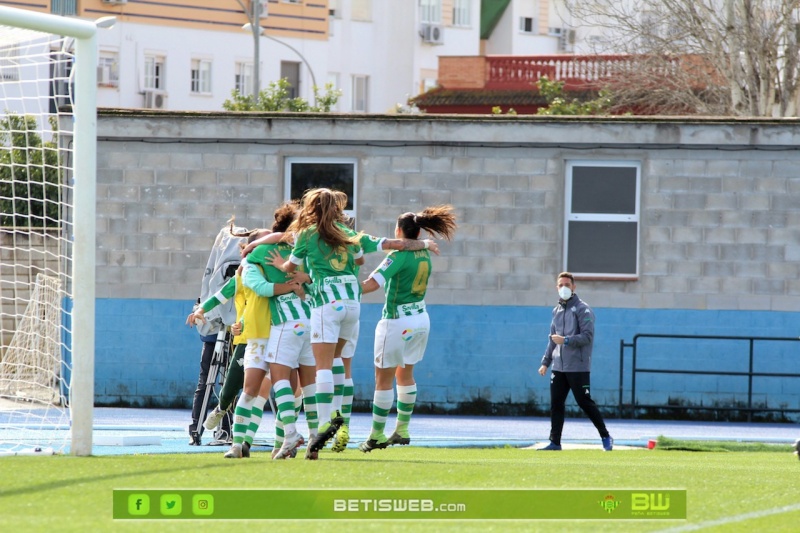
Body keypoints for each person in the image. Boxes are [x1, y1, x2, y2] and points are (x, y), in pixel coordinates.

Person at [268, 188, 437, 459]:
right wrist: (426, 244)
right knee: (338, 362)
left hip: (327, 303)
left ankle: (325, 422)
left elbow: (292, 267)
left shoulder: (307, 234)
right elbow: (390, 246)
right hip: (353, 304)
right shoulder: (349, 233)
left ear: (311, 207)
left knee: (321, 366)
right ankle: (340, 416)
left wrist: (282, 264)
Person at [357, 205, 457, 452]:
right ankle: (402, 430)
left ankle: (376, 435)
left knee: (383, 379)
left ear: (399, 230)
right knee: (405, 374)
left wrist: (343, 289)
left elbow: (372, 284)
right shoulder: (424, 252)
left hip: (396, 320)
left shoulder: (398, 255)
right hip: (421, 318)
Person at [537, 272, 613, 451]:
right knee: (556, 403)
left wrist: (567, 340)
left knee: (584, 402)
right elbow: (552, 339)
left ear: (573, 287)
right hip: (558, 367)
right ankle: (555, 442)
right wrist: (545, 362)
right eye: (561, 285)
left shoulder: (582, 309)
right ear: (557, 288)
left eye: (567, 285)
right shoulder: (556, 311)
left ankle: (606, 436)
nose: (564, 288)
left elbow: (587, 336)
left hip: (578, 366)